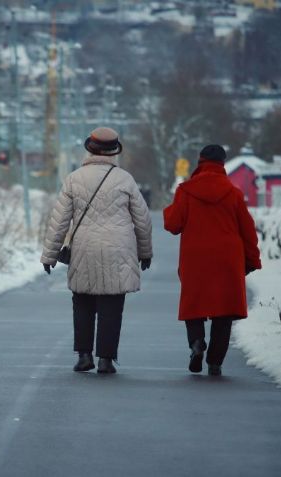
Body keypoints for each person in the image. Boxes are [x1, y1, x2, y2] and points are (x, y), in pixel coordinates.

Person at [41, 127, 153, 374]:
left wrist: (49, 254)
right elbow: (143, 220)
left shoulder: (74, 179)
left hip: (85, 249)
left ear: (89, 148)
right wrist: (145, 252)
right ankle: (105, 359)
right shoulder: (125, 179)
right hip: (119, 250)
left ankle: (83, 356)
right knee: (112, 306)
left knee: (82, 302)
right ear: (115, 150)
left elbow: (59, 220)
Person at [163, 144, 261, 376]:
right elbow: (248, 230)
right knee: (223, 311)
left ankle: (197, 343)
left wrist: (172, 207)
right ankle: (215, 362)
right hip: (228, 258)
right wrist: (252, 260)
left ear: (200, 161)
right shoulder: (234, 192)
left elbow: (172, 224)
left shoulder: (186, 191)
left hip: (196, 257)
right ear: (222, 164)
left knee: (194, 306)